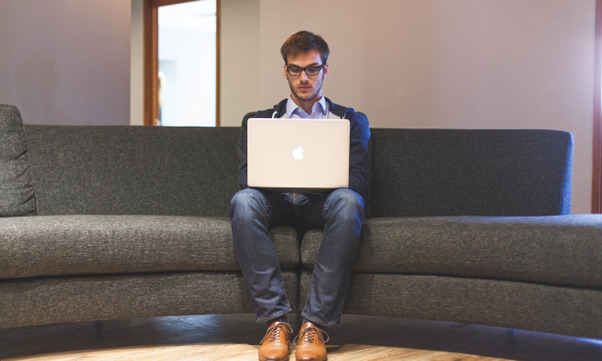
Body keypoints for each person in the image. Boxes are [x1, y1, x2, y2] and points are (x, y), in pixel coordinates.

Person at [230, 30, 371, 361]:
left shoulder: (351, 121)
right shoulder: (259, 121)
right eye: (296, 69)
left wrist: (320, 180)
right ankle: (276, 322)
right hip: (276, 200)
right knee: (244, 202)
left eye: (312, 68)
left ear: (326, 69)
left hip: (323, 204)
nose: (304, 77)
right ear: (285, 71)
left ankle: (314, 326)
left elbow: (360, 181)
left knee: (350, 201)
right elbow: (245, 178)